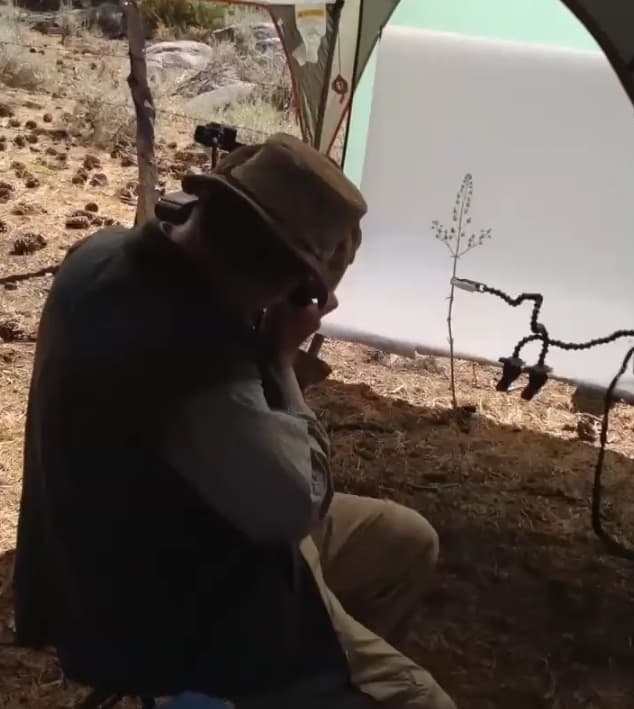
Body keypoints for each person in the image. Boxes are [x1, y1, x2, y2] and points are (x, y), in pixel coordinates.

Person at [13, 133, 456, 709]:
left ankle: (326, 678)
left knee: (402, 541)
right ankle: (302, 680)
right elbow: (299, 503)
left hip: (114, 548)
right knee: (422, 700)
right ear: (289, 283)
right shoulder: (199, 363)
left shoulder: (102, 255)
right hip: (162, 610)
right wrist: (280, 360)